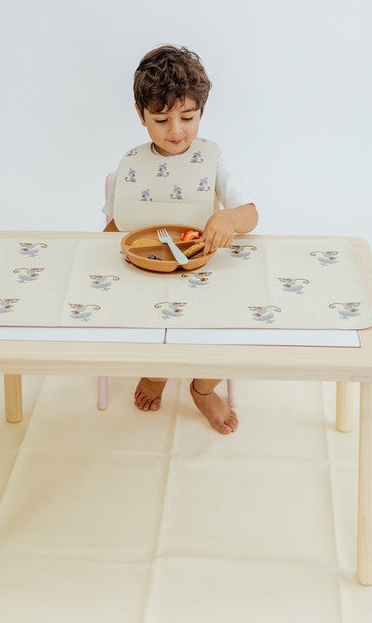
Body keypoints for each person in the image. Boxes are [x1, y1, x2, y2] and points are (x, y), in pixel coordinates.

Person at [103, 45, 258, 434]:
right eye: (161, 119)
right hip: (146, 272)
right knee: (133, 318)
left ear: (201, 111)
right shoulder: (129, 166)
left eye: (187, 117)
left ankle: (203, 388)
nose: (176, 131)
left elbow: (250, 215)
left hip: (202, 267)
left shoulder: (214, 159)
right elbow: (113, 228)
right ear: (141, 115)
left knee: (238, 322)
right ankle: (157, 373)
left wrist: (227, 217)